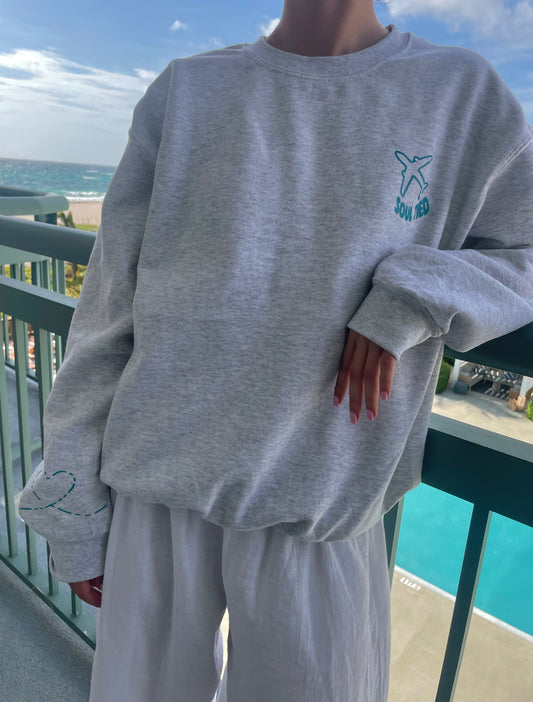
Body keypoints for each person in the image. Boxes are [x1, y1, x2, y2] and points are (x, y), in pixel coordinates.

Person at [17, 0, 533, 700]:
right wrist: (74, 510)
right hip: (153, 491)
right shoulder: (186, 91)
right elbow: (108, 314)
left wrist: (412, 297)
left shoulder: (463, 94)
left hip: (323, 505)